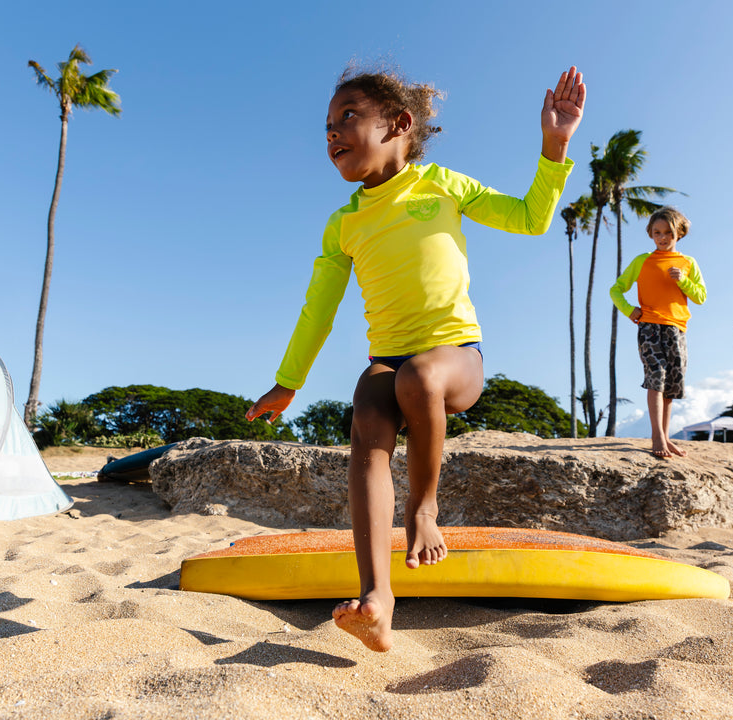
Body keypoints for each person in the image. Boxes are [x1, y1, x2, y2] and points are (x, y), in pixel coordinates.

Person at [246, 64, 585, 652]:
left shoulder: (442, 185)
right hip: (390, 359)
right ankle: (378, 598)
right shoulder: (344, 223)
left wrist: (554, 148)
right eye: (326, 125)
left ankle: (423, 510)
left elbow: (530, 220)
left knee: (421, 377)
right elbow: (318, 310)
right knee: (369, 406)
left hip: (456, 359)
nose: (331, 133)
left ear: (400, 124)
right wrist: (286, 383)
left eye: (347, 116)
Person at [609, 206, 706, 459]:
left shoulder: (688, 263)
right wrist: (630, 310)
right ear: (651, 234)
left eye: (668, 233)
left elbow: (701, 297)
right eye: (657, 232)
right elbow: (616, 289)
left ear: (680, 234)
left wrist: (682, 281)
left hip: (677, 329)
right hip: (649, 326)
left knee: (671, 385)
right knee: (656, 379)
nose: (662, 238)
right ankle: (656, 436)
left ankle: (665, 435)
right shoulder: (642, 261)